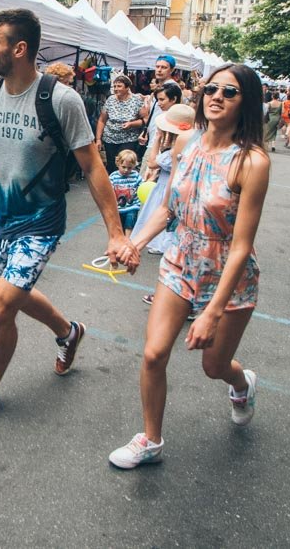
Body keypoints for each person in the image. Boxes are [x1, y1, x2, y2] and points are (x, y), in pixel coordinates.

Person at [0, 8, 137, 428]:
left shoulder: (61, 100)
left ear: (20, 48)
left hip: (42, 223)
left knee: (0, 306)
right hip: (3, 221)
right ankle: (68, 332)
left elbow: (94, 166)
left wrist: (117, 234)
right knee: (16, 294)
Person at [109, 63, 270, 469]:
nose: (216, 96)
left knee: (213, 366)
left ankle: (241, 384)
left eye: (229, 92)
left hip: (226, 273)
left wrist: (212, 312)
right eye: (212, 88)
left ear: (245, 102)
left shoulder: (251, 162)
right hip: (180, 259)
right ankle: (151, 439)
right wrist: (135, 242)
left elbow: (241, 245)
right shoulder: (185, 144)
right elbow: (169, 208)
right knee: (153, 354)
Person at [134, 103, 197, 304]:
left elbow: (152, 163)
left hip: (170, 197)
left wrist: (158, 140)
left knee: (174, 248)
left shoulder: (174, 151)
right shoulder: (190, 147)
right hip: (176, 198)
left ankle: (173, 295)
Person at [97, 74, 147, 173]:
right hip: (110, 138)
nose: (116, 89)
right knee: (112, 165)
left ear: (127, 87)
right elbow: (102, 120)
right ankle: (113, 186)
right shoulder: (110, 100)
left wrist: (131, 124)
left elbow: (145, 119)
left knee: (125, 163)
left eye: (119, 86)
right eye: (114, 86)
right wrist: (98, 139)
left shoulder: (136, 100)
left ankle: (126, 186)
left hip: (128, 139)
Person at [142, 82, 183, 181]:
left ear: (173, 99)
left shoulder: (178, 119)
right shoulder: (163, 115)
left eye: (162, 99)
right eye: (158, 100)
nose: (159, 103)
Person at [109, 149, 143, 233]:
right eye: (123, 167)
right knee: (119, 229)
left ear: (134, 166)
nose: (126, 170)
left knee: (129, 226)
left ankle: (128, 241)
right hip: (118, 208)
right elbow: (109, 191)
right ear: (118, 163)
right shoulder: (113, 176)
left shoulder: (135, 175)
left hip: (132, 206)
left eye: (129, 168)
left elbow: (142, 186)